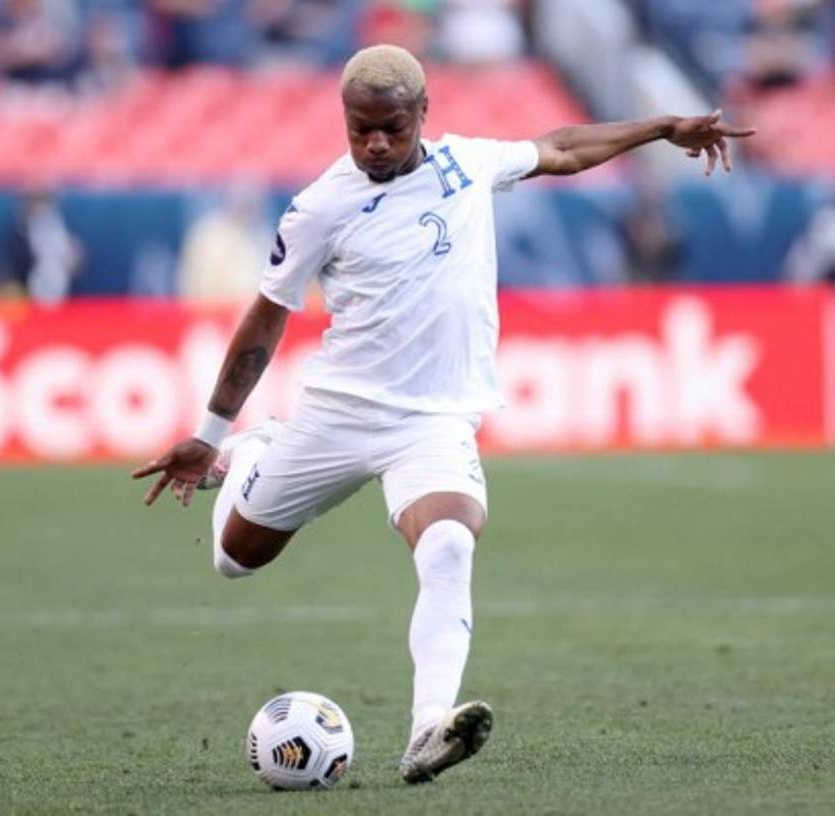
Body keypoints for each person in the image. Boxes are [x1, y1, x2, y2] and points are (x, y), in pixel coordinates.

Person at [133, 44, 754, 784]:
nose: (375, 143)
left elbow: (560, 148)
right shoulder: (319, 208)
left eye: (391, 127)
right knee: (234, 561)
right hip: (338, 416)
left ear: (424, 114)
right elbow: (264, 321)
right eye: (360, 129)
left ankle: (429, 725)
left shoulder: (468, 163)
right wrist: (207, 437)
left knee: (451, 545)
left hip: (433, 423)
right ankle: (251, 450)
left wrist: (658, 129)